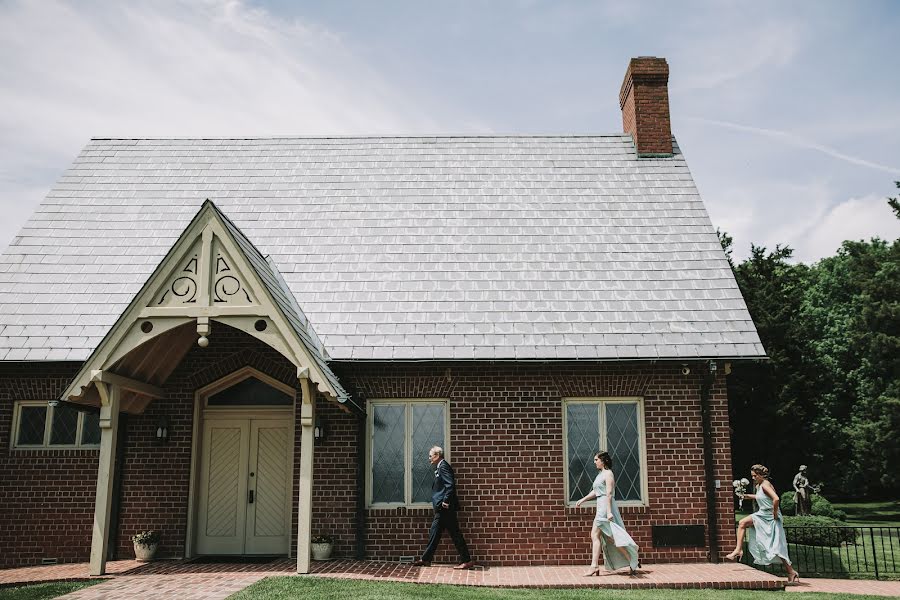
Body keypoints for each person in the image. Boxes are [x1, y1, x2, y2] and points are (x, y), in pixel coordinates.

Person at [726, 464, 800, 584]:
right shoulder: (760, 485)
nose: (753, 478)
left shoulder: (765, 485)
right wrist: (746, 496)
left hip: (769, 517)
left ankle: (791, 572)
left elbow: (776, 499)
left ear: (761, 475)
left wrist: (775, 514)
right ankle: (738, 550)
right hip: (762, 515)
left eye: (755, 476)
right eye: (752, 476)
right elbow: (761, 497)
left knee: (776, 547)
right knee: (742, 523)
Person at [575, 451, 640, 576]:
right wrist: (582, 499)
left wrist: (609, 512)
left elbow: (609, 493)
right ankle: (631, 559)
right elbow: (596, 491)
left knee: (600, 535)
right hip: (601, 505)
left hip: (605, 506)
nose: (594, 462)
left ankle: (595, 566)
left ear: (603, 460)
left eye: (596, 460)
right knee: (607, 537)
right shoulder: (600, 475)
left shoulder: (609, 474)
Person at [413, 446, 475, 569]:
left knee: (451, 534)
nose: (429, 458)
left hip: (445, 508)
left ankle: (466, 560)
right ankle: (426, 559)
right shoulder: (440, 466)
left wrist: (445, 502)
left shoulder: (443, 466)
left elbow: (450, 484)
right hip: (443, 509)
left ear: (437, 455)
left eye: (430, 456)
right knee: (436, 533)